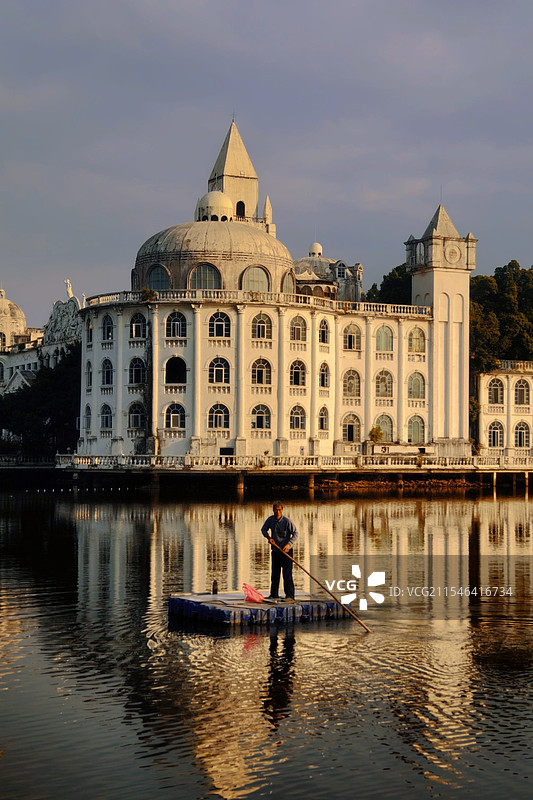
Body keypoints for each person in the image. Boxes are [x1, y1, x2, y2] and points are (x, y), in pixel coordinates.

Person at [261, 501, 298, 600]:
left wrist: (289, 544)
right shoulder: (270, 520)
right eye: (276, 510)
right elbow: (263, 529)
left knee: (287, 574)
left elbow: (295, 533)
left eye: (280, 510)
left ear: (282, 510)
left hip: (286, 552)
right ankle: (274, 594)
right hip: (276, 551)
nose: (278, 512)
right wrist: (269, 538)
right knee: (275, 574)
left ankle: (290, 595)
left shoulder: (287, 521)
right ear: (273, 510)